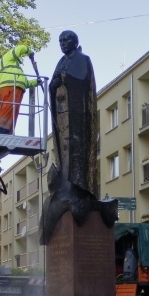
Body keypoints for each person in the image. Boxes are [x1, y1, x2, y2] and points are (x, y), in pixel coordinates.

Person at [41, 30, 116, 245]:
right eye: (60, 40)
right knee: (64, 156)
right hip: (63, 120)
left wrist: (65, 79)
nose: (63, 43)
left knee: (76, 157)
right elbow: (54, 86)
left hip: (78, 120)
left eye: (66, 40)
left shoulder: (83, 59)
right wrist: (53, 86)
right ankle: (66, 188)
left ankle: (78, 188)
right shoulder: (60, 62)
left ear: (75, 42)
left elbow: (82, 82)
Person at [0, 44, 40, 134]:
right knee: (8, 109)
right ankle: (0, 131)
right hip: (10, 87)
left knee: (13, 112)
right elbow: (20, 48)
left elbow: (24, 82)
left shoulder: (15, 68)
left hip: (15, 88)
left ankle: (8, 131)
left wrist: (36, 82)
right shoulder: (7, 57)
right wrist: (29, 52)